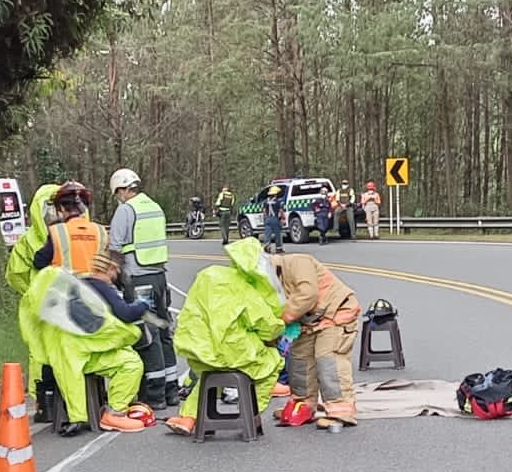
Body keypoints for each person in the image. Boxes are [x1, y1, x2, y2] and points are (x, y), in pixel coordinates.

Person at [164, 238, 287, 437]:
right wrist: (280, 326)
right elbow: (267, 328)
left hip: (198, 353)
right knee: (272, 364)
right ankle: (249, 416)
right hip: (232, 353)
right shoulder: (247, 290)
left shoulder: (209, 275)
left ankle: (187, 418)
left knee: (210, 378)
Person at [27, 247, 150, 434]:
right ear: (110, 268)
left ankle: (81, 415)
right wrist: (142, 305)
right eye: (117, 271)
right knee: (132, 364)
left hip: (64, 355)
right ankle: (114, 414)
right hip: (87, 352)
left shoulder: (77, 285)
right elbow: (125, 314)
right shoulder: (102, 288)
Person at [108, 167, 180, 407]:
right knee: (164, 328)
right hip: (160, 277)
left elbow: (116, 248)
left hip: (139, 279)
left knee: (149, 334)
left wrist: (113, 276)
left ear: (120, 189)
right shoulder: (154, 207)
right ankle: (171, 389)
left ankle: (154, 393)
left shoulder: (126, 210)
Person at [270, 250, 361, 429]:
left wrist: (283, 319)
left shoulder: (297, 263)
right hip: (308, 320)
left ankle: (341, 411)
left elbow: (308, 295)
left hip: (335, 312)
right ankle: (303, 404)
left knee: (328, 360)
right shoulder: (271, 282)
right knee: (299, 360)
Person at [6, 182, 61, 421]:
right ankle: (71, 402)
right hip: (72, 302)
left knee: (43, 353)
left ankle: (47, 404)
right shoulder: (74, 232)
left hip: (42, 304)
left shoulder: (29, 242)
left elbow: (15, 274)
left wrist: (31, 292)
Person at [259, 184, 286, 253]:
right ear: (276, 194)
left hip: (268, 219)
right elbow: (281, 211)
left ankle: (267, 248)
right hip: (275, 219)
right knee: (278, 235)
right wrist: (283, 219)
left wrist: (265, 220)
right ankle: (278, 248)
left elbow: (264, 212)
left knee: (267, 235)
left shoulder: (265, 202)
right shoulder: (278, 202)